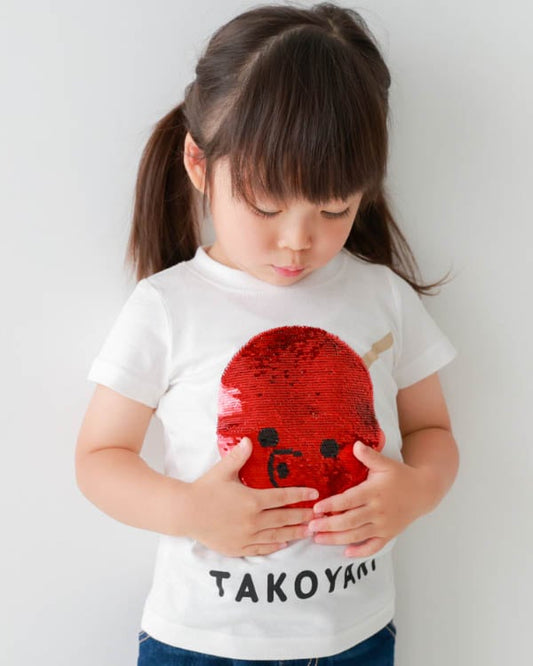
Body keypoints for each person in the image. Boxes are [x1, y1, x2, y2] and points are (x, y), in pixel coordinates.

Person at [75, 3, 459, 665]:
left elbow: (432, 430)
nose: (297, 240)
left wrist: (416, 491)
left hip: (357, 640)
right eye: (265, 205)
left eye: (334, 208)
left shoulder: (381, 297)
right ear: (200, 165)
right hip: (202, 643)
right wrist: (190, 511)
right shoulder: (167, 306)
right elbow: (98, 457)